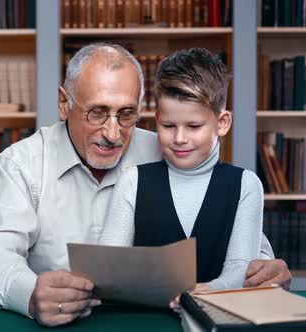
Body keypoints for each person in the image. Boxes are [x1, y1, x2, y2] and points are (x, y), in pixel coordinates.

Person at [0, 43, 291, 327]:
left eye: (126, 114)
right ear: (64, 104)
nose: (112, 133)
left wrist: (266, 270)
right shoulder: (20, 164)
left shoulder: (170, 150)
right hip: (60, 324)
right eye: (97, 112)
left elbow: (234, 227)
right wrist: (30, 295)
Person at [99, 48, 266, 312]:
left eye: (193, 126)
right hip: (142, 320)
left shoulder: (247, 185)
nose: (179, 138)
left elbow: (240, 266)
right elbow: (109, 263)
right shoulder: (132, 181)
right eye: (168, 126)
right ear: (157, 121)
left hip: (216, 317)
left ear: (222, 123)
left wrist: (208, 291)